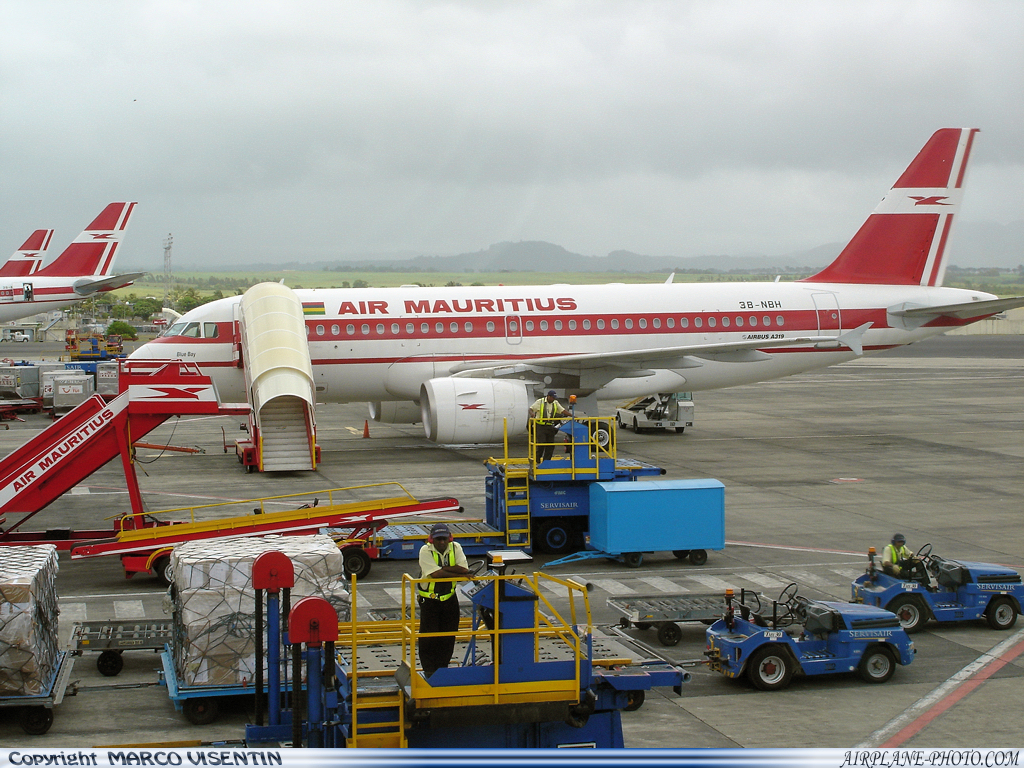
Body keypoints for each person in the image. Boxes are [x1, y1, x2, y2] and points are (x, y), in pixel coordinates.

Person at [417, 522, 470, 679]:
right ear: (432, 539)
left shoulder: (456, 547)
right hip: (430, 602)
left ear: (450, 538)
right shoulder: (425, 550)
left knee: (448, 636)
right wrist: (455, 573)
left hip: (449, 600)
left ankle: (442, 668)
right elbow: (436, 575)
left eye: (444, 539)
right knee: (428, 637)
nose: (442, 542)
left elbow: (464, 569)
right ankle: (429, 670)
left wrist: (443, 569)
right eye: (438, 539)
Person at [529, 390, 569, 464]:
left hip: (550, 426)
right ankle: (537, 460)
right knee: (541, 443)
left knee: (550, 445)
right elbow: (530, 409)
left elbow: (562, 410)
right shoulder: (540, 402)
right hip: (540, 426)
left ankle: (546, 461)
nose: (553, 399)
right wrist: (532, 414)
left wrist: (572, 416)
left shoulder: (555, 403)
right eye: (552, 398)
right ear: (548, 396)